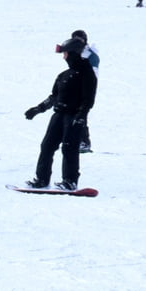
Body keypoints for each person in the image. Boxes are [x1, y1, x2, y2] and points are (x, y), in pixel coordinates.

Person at [23, 35, 96, 191]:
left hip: (74, 116)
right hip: (59, 115)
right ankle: (42, 179)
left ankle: (70, 181)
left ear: (72, 53)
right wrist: (38, 109)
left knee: (69, 148)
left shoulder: (87, 73)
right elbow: (54, 97)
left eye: (65, 53)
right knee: (47, 146)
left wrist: (82, 116)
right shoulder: (64, 75)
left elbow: (88, 98)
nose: (63, 57)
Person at [72, 30, 99, 153]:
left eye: (79, 40)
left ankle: (84, 142)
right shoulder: (74, 52)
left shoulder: (90, 55)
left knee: (81, 114)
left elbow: (92, 75)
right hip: (74, 87)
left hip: (85, 89)